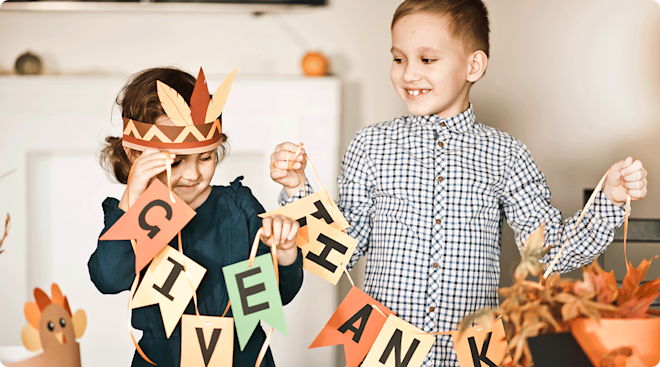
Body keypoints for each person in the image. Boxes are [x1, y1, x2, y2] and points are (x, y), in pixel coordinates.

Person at [269, 0, 648, 365]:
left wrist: (609, 200)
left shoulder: (507, 155)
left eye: (427, 59)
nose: (408, 73)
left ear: (473, 65)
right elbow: (345, 252)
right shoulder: (369, 146)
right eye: (398, 58)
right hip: (381, 353)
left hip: (474, 355)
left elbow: (549, 254)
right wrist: (296, 189)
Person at [89, 67, 303, 367]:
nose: (192, 174)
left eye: (205, 157)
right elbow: (109, 278)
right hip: (163, 359)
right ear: (136, 156)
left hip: (242, 356)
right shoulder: (135, 213)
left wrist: (286, 252)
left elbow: (277, 295)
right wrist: (133, 199)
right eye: (176, 161)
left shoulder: (238, 207)